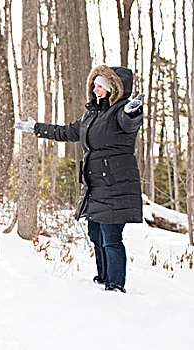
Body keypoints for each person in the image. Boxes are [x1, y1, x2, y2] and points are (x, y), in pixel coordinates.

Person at [15, 65, 145, 293]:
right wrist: (37, 128)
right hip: (96, 186)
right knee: (96, 233)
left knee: (111, 237)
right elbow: (66, 132)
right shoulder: (91, 115)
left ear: (112, 88)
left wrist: (133, 111)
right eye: (94, 85)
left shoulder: (120, 111)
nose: (95, 90)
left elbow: (129, 121)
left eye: (100, 86)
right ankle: (104, 276)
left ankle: (115, 285)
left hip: (116, 185)